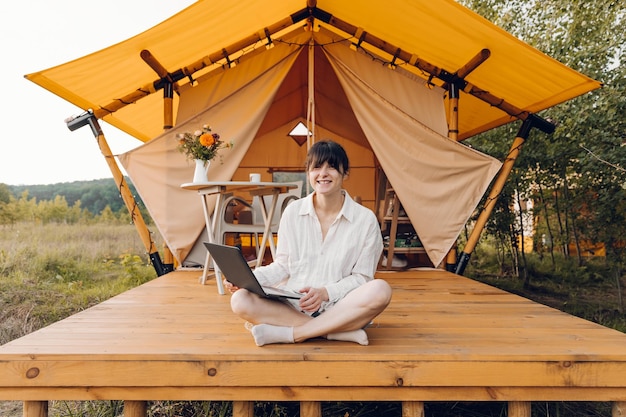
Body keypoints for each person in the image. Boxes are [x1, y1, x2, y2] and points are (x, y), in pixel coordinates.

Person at [224, 140, 392, 346]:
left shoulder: (365, 220)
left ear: (345, 173)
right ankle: (333, 332)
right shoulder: (293, 212)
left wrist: (325, 293)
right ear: (309, 173)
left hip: (342, 306)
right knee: (240, 299)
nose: (323, 173)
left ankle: (293, 334)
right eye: (317, 167)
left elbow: (363, 278)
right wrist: (246, 278)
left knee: (380, 290)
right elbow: (282, 266)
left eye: (331, 167)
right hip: (292, 304)